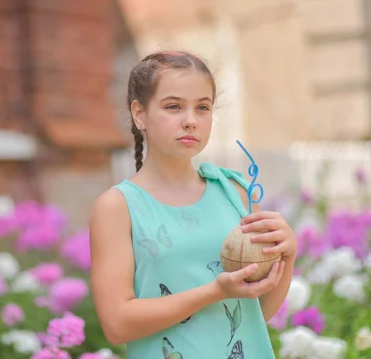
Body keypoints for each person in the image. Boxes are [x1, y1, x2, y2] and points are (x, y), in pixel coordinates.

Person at [89, 50, 297, 358]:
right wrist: (215, 292)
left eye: (202, 108)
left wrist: (288, 255)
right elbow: (117, 324)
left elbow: (258, 312)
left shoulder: (234, 191)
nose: (190, 121)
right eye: (173, 107)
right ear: (139, 113)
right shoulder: (118, 207)